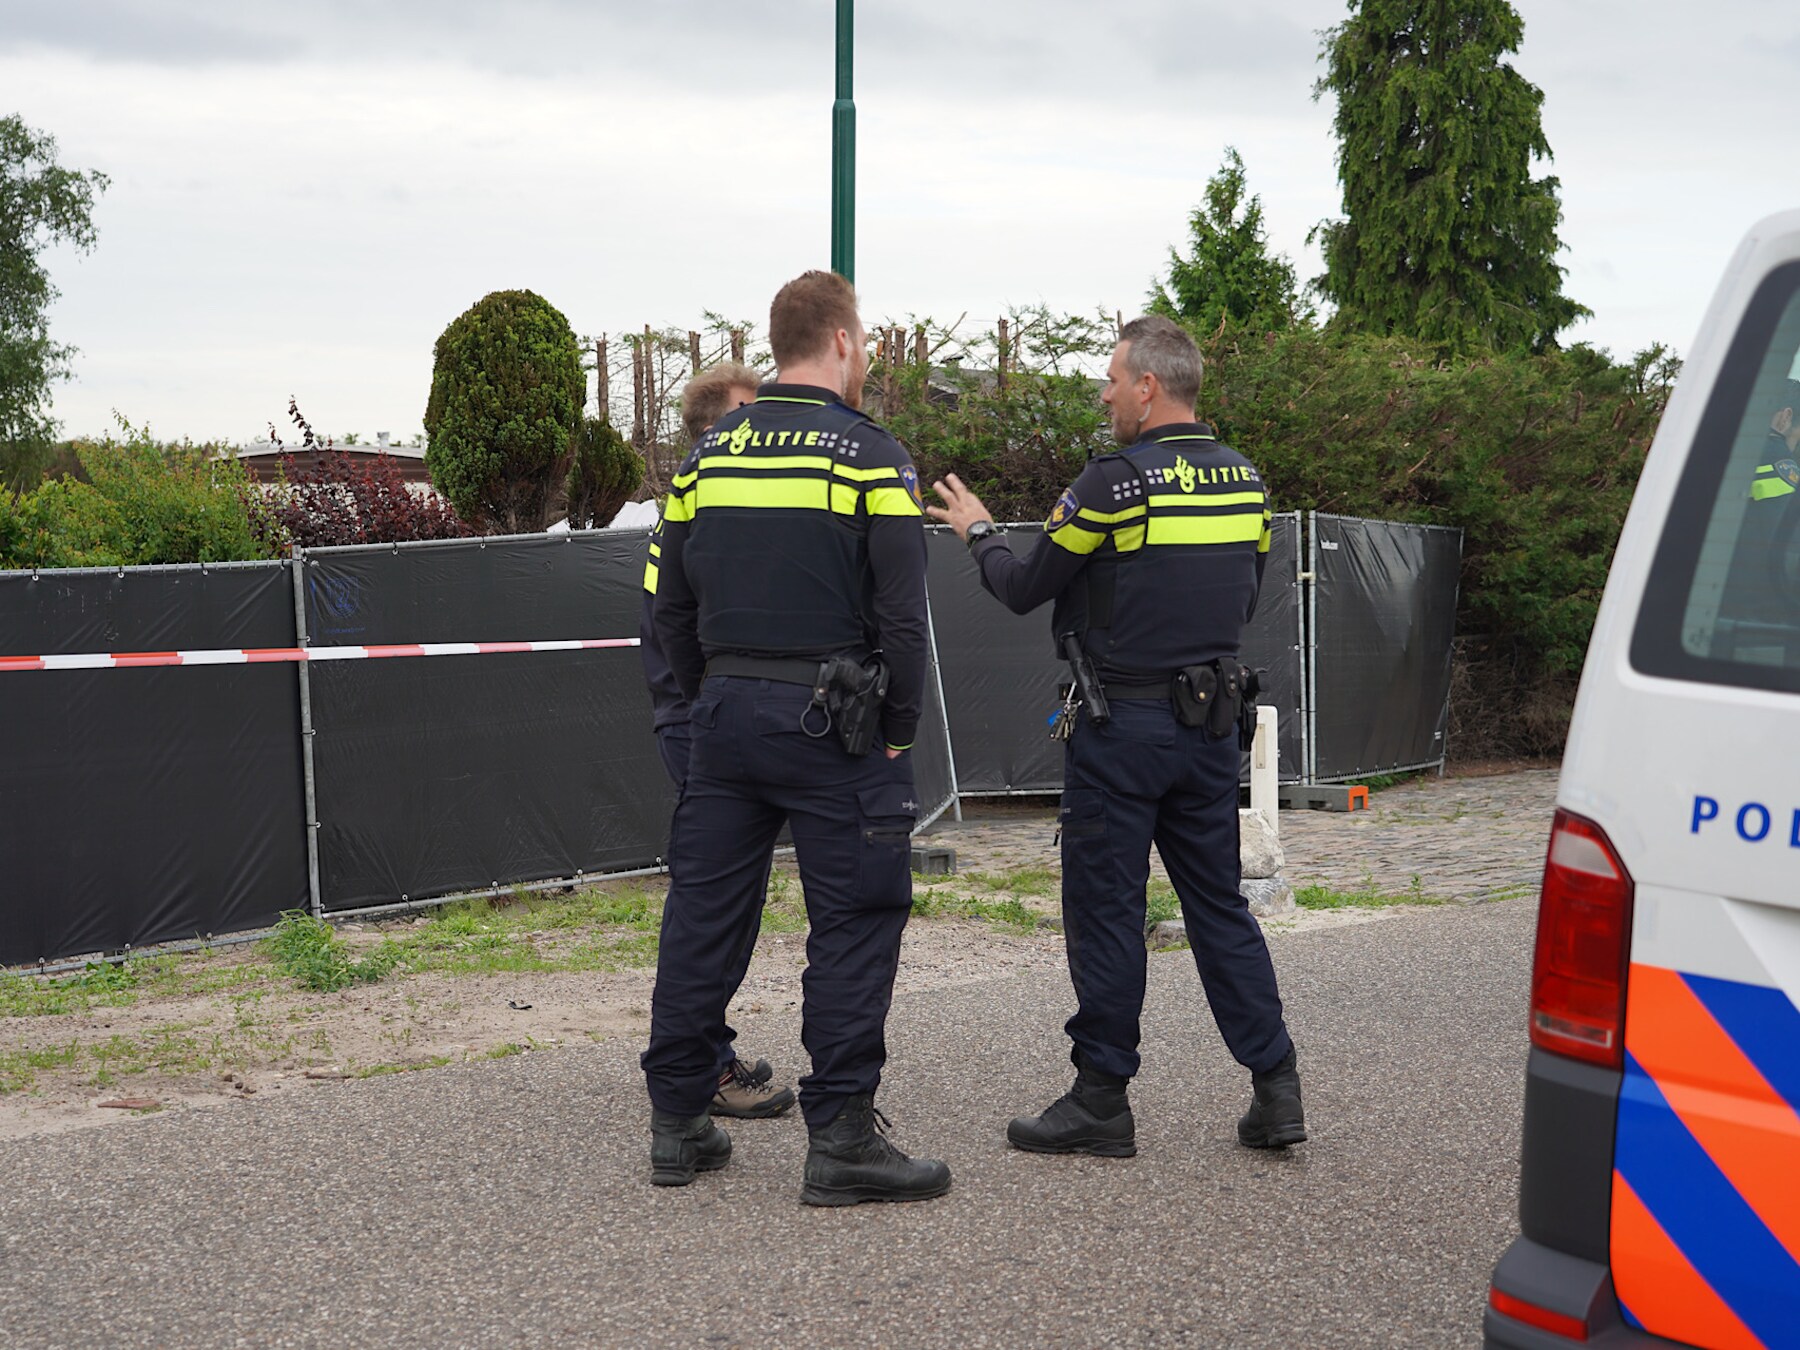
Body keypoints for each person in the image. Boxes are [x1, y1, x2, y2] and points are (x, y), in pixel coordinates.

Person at [926, 314, 1305, 1156]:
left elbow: (1027, 586)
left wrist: (979, 532)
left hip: (1120, 728)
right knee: (1218, 908)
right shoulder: (1246, 482)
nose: (1103, 393)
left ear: (1148, 387)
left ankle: (1101, 1099)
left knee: (1106, 910)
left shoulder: (1116, 481)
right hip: (1209, 729)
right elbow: (1243, 602)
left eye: (1111, 378)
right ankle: (1276, 1086)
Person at [640, 270, 951, 1205]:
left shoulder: (705, 459)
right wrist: (896, 730)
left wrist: (710, 701)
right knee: (854, 920)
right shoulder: (868, 456)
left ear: (777, 347)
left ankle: (679, 1123)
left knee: (704, 916)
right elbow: (903, 618)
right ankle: (845, 1138)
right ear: (845, 343)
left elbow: (668, 607)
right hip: (834, 725)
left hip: (727, 719)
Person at [638, 361, 794, 1121]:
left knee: (724, 902)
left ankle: (708, 1054)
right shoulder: (703, 502)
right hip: (701, 722)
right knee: (717, 908)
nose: (762, 423)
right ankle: (702, 1070)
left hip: (699, 716)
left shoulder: (693, 501)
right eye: (750, 411)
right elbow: (681, 623)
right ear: (719, 420)